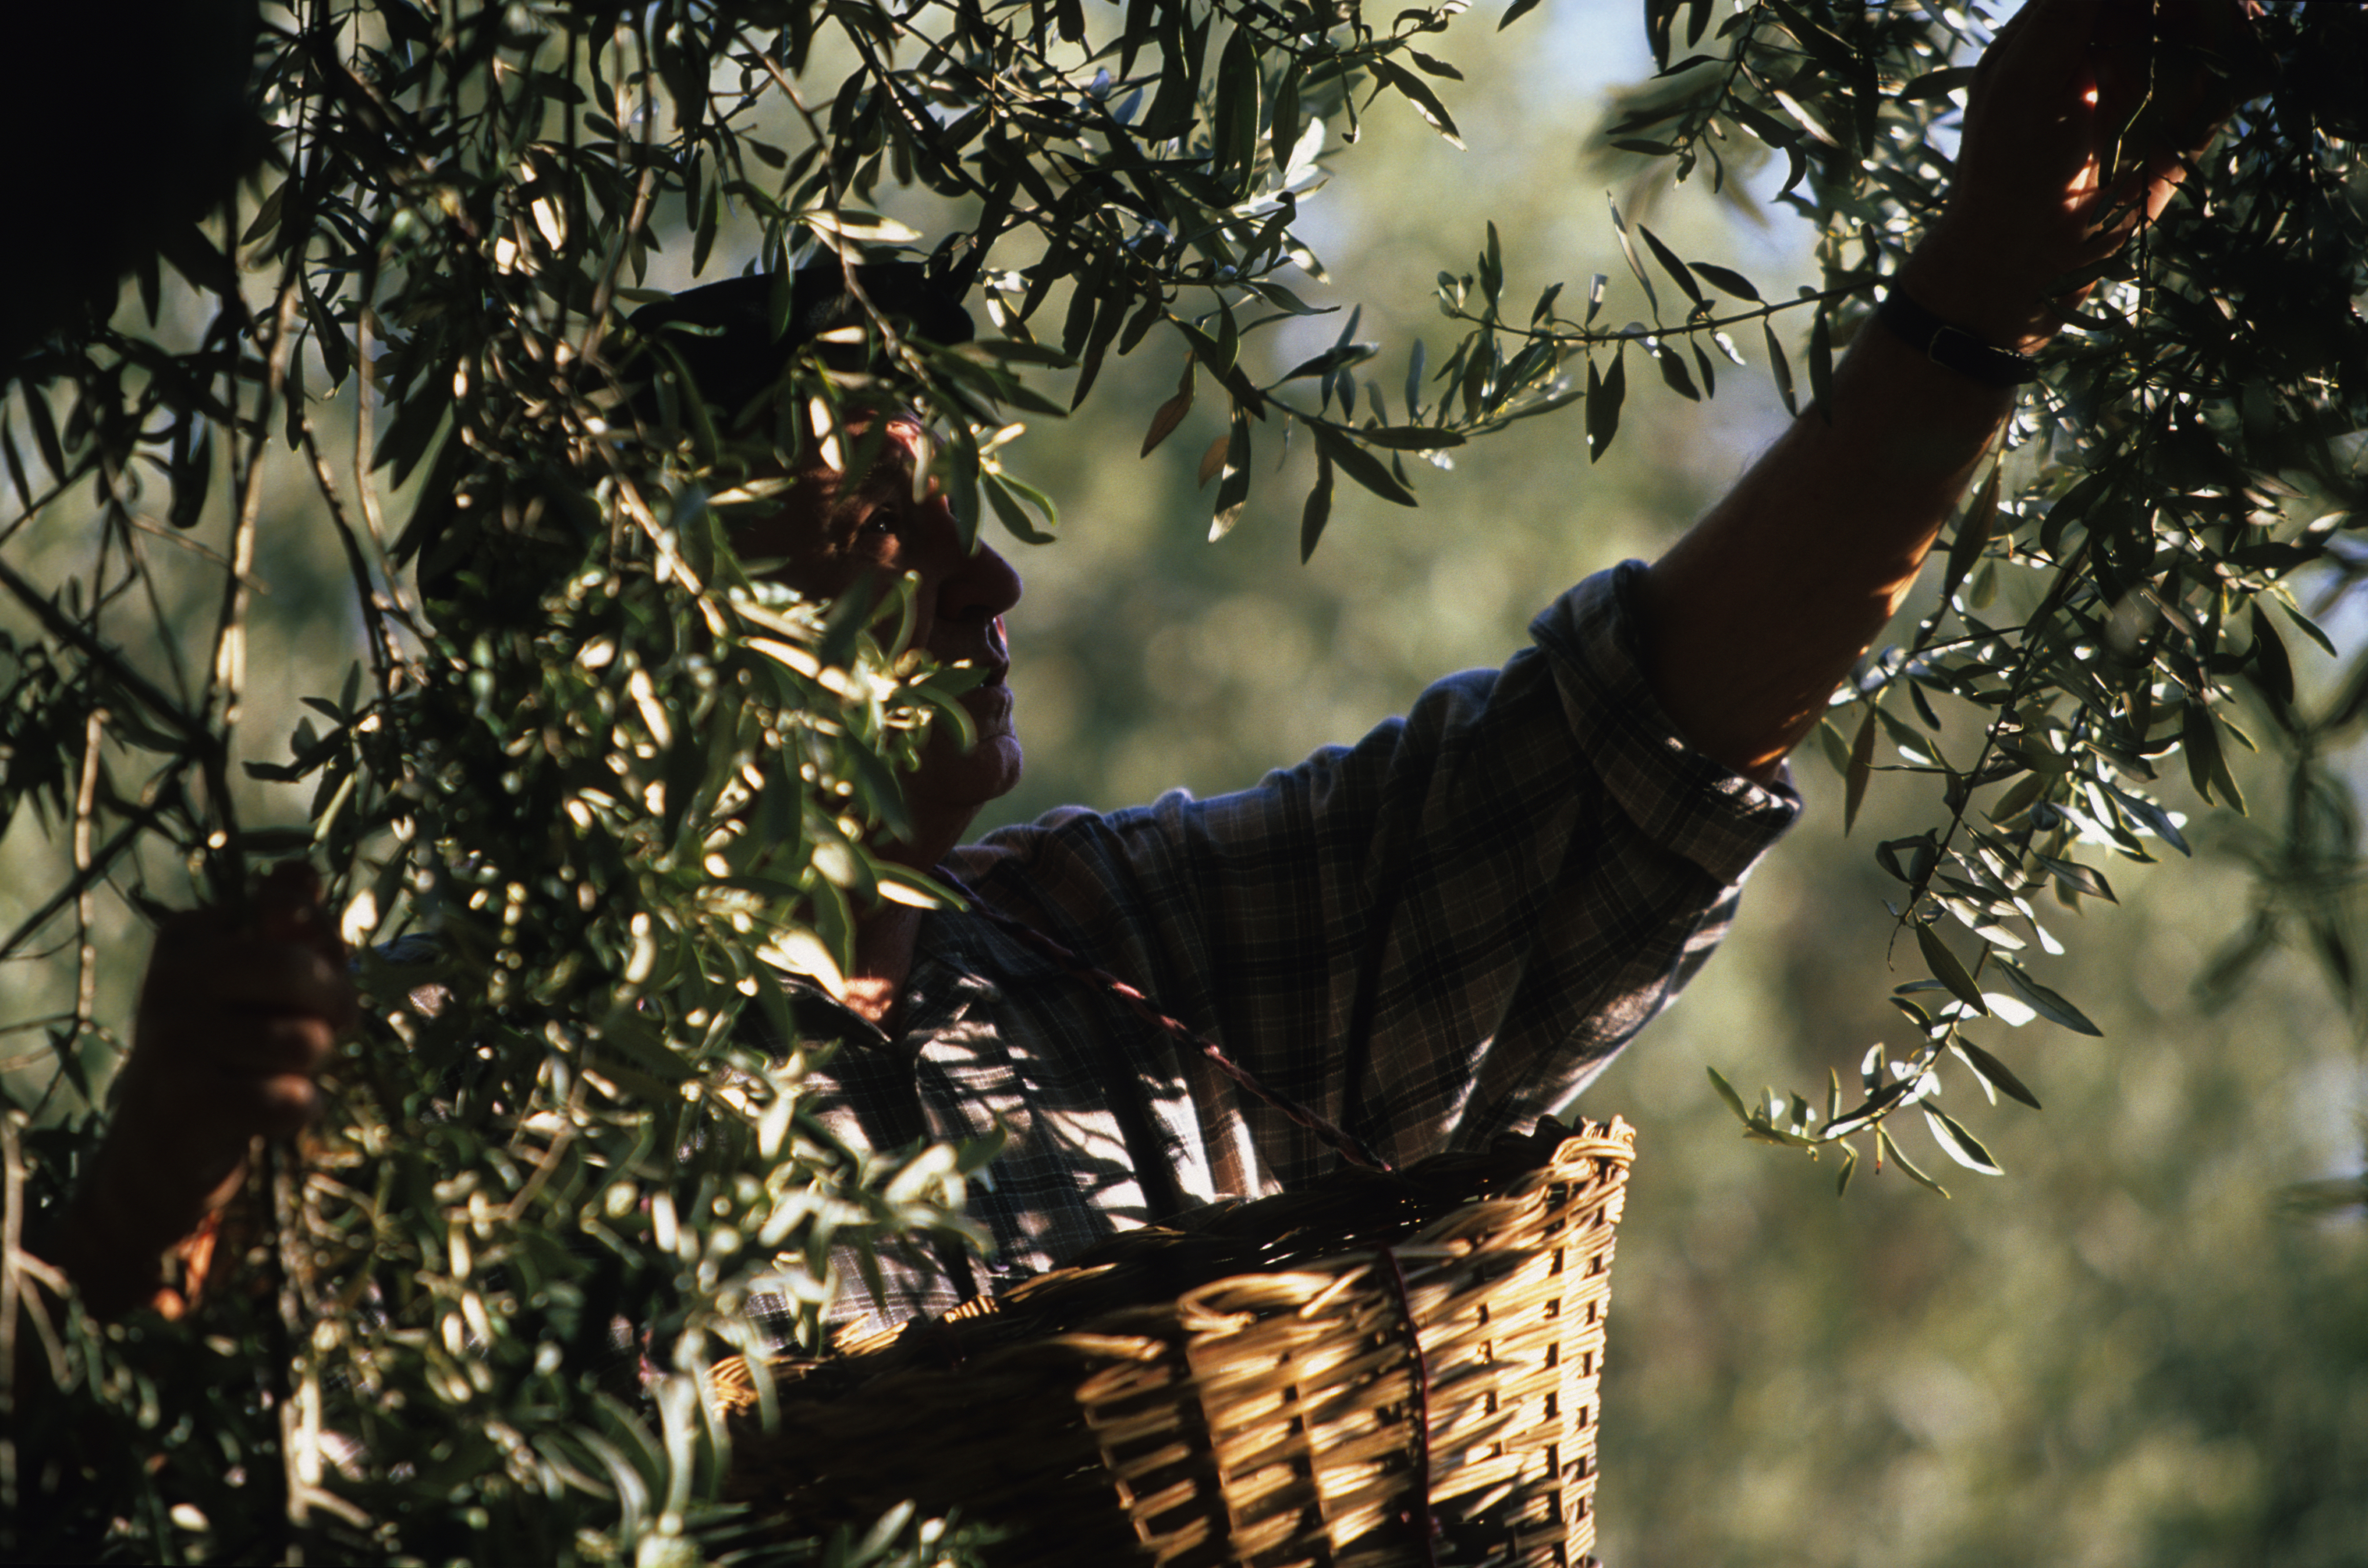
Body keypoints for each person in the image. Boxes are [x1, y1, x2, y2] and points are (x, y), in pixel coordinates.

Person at [40, 0, 2239, 1333]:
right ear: (644, 653)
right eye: (879, 544)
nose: (987, 596)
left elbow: (1641, 735)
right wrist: (151, 1216)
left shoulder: (1141, 958)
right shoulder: (405, 1081)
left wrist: (1993, 280)